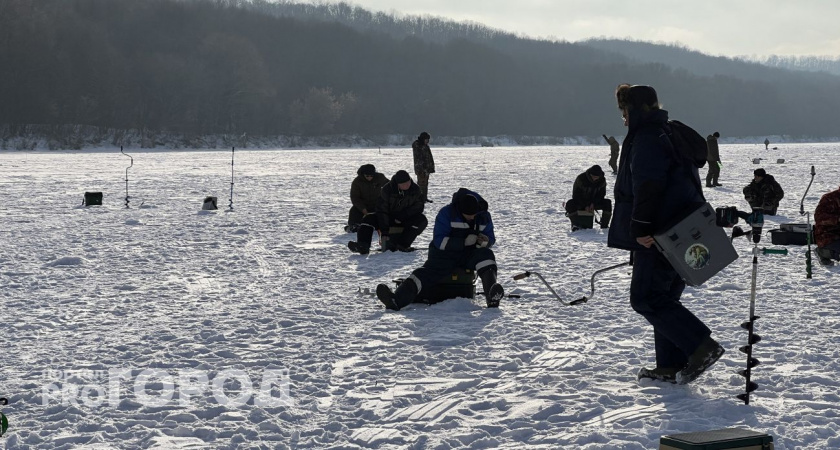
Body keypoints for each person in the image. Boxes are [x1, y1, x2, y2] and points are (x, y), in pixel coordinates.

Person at [609, 83, 724, 385]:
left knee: (646, 298)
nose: (622, 118)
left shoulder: (647, 138)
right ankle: (671, 364)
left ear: (633, 110)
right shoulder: (669, 131)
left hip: (661, 232)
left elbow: (648, 186)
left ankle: (700, 346)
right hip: (682, 226)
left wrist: (641, 228)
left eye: (624, 111)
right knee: (664, 297)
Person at [376, 188, 504, 310]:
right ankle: (396, 300)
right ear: (460, 209)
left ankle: (492, 296)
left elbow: (491, 238)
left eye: (473, 215)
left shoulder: (484, 216)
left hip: (470, 255)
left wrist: (486, 242)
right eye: (468, 215)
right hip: (444, 256)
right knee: (422, 274)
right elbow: (439, 241)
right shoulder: (446, 213)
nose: (471, 218)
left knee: (487, 256)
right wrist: (462, 242)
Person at [348, 170, 427, 254]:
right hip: (388, 217)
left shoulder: (415, 189)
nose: (407, 185)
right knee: (368, 219)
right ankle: (363, 245)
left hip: (405, 217)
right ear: (397, 184)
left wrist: (403, 215)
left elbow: (418, 207)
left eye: (408, 182)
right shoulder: (387, 190)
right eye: (403, 184)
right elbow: (382, 210)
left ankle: (403, 244)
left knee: (421, 220)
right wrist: (384, 232)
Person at [565, 165, 612, 231]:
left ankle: (604, 225)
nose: (595, 178)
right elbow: (576, 195)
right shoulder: (581, 178)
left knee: (607, 202)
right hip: (581, 201)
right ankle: (576, 224)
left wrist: (593, 203)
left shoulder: (602, 180)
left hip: (594, 202)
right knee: (570, 204)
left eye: (597, 177)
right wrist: (585, 205)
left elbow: (601, 194)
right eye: (593, 177)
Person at [345, 164, 389, 233]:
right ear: (363, 174)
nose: (369, 177)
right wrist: (363, 209)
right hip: (363, 205)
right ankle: (353, 226)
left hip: (377, 204)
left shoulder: (380, 178)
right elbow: (355, 198)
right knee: (354, 210)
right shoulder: (357, 182)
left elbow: (390, 185)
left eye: (371, 176)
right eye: (367, 176)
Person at [814, 185, 840, 266]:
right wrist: (838, 219)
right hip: (828, 235)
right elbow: (819, 218)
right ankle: (822, 252)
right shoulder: (829, 198)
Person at [412, 131, 435, 203]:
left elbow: (428, 157)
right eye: (426, 139)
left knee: (425, 184)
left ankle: (424, 197)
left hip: (426, 169)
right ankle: (420, 198)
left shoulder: (425, 146)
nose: (427, 141)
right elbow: (419, 159)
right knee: (421, 184)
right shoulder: (418, 146)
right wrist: (422, 169)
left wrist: (430, 168)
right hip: (421, 169)